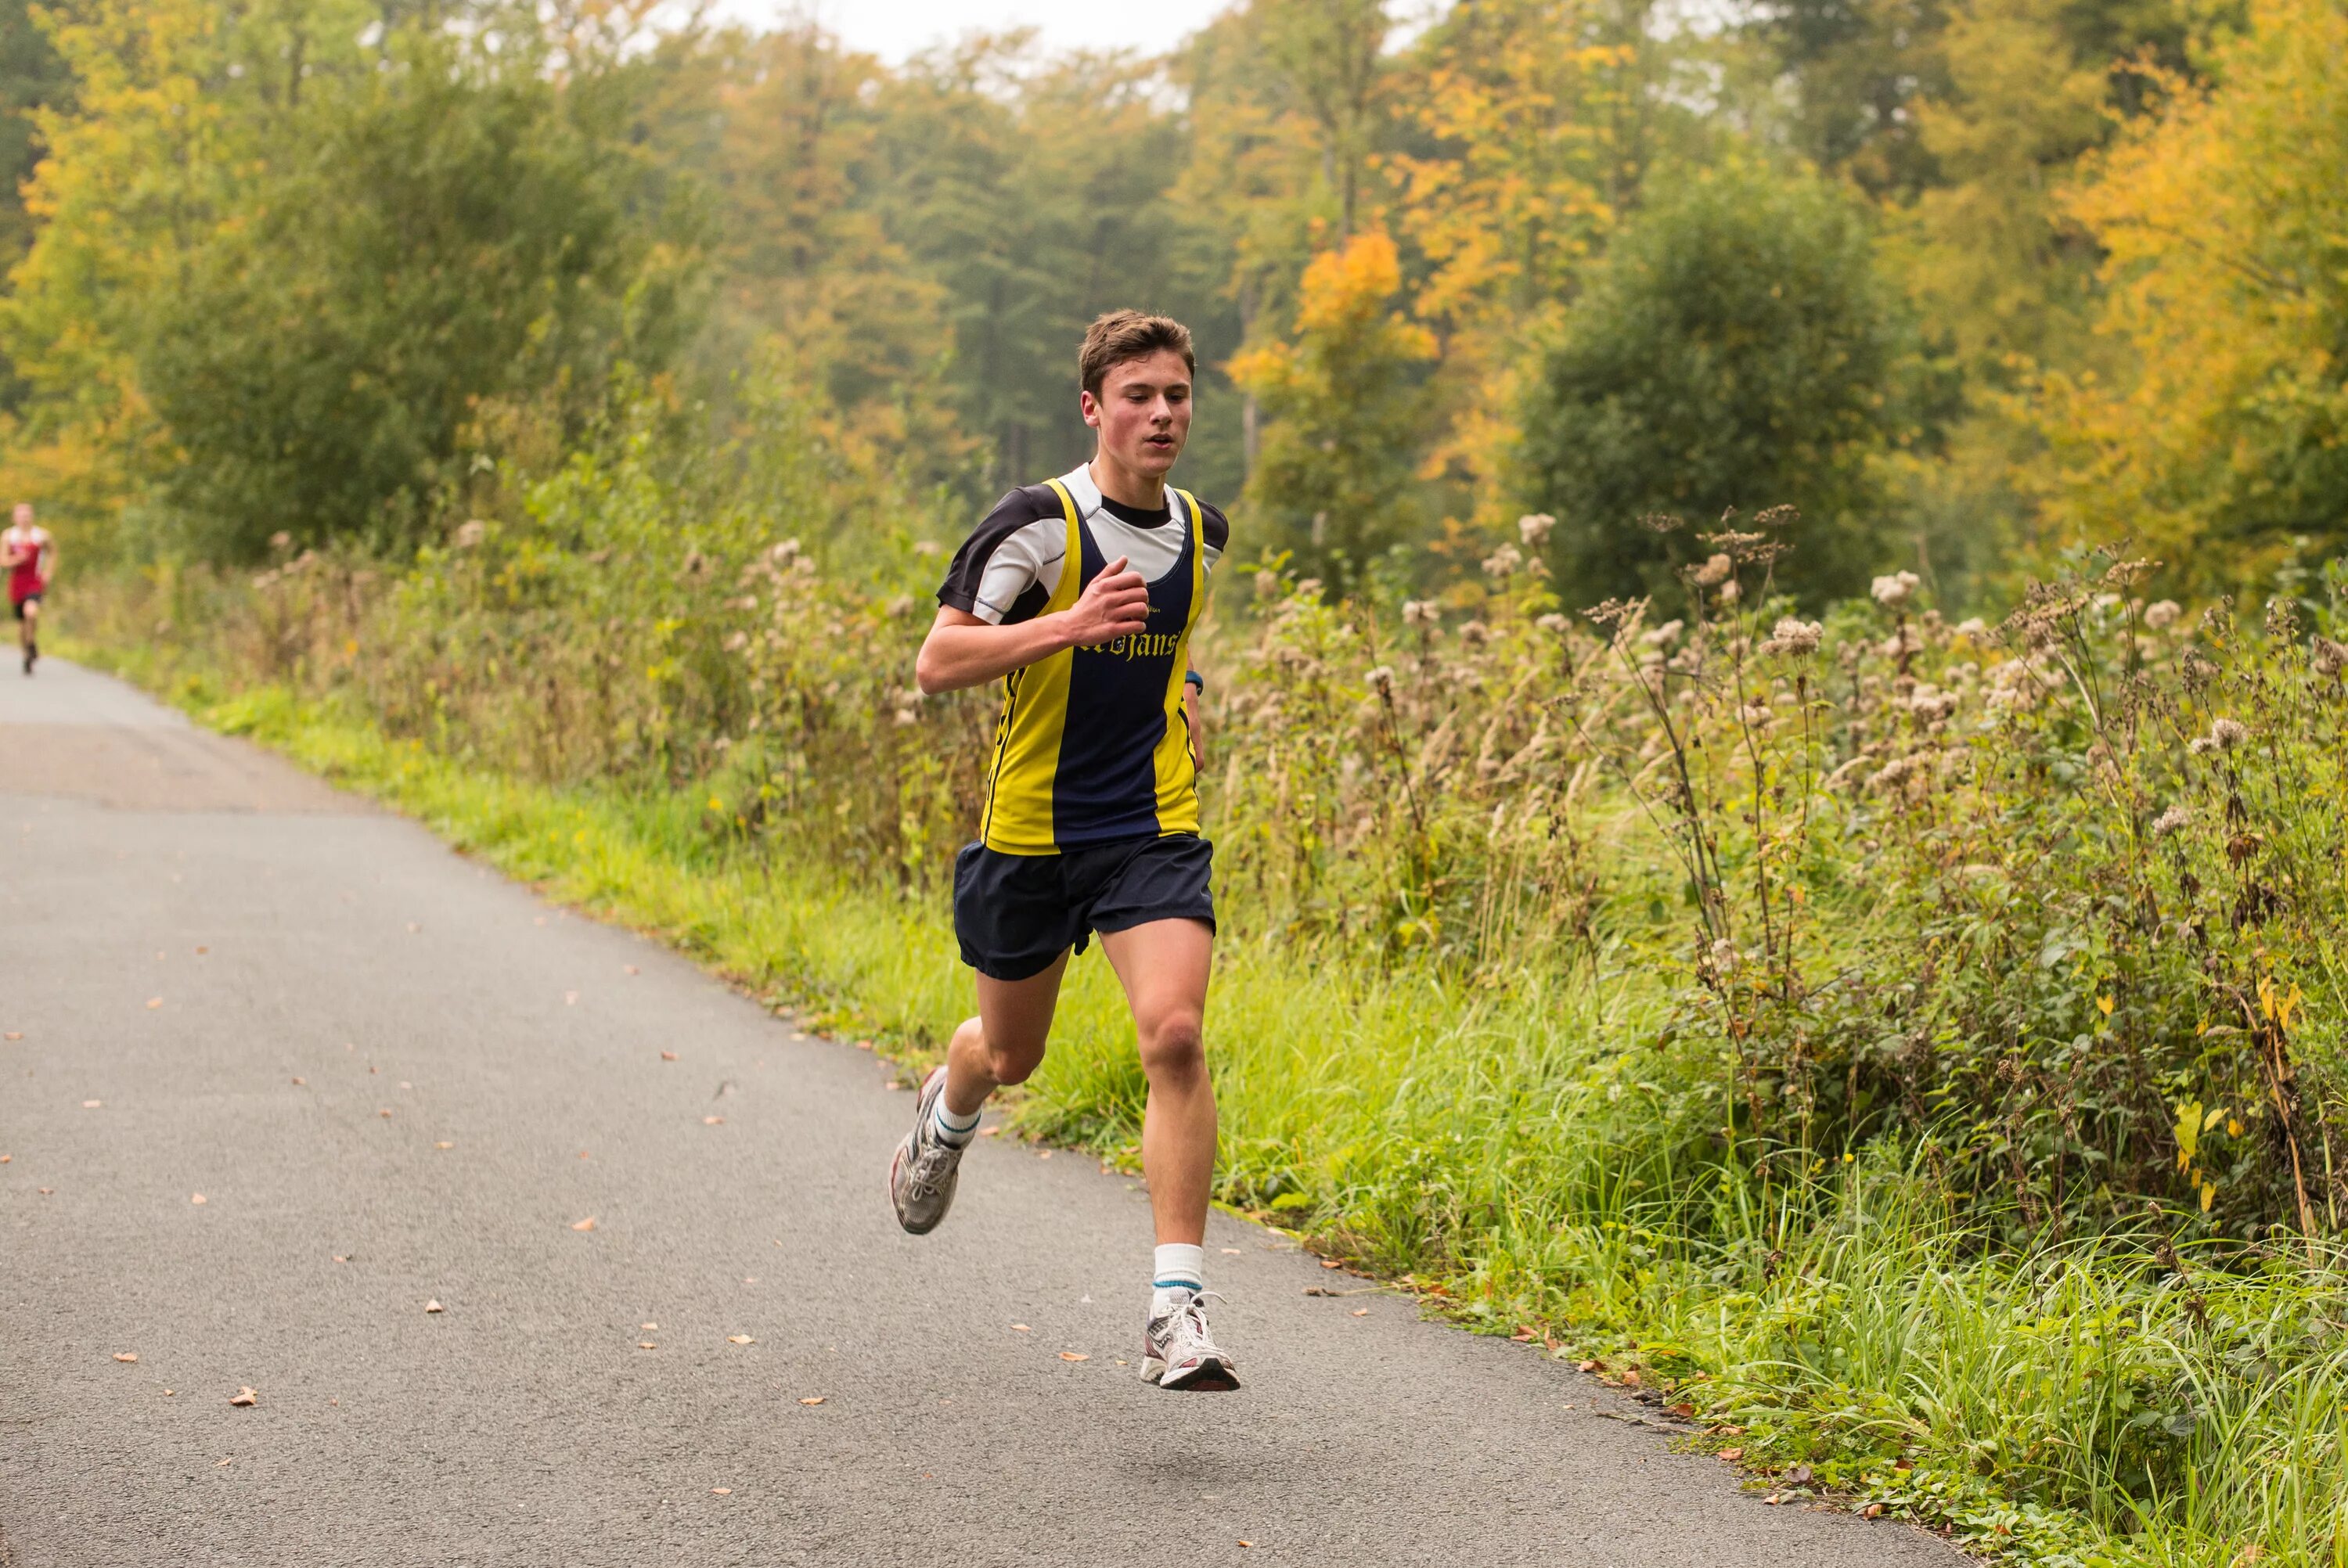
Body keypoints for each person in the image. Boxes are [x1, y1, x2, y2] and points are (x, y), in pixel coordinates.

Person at [892, 310, 1237, 1392]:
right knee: (1011, 1058)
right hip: (1032, 839)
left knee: (1174, 1035)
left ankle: (1175, 1312)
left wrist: (1179, 694)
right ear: (1094, 408)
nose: (1162, 413)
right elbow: (938, 661)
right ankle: (947, 1118)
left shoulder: (1203, 532)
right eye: (1138, 395)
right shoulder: (1035, 525)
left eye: (1176, 394)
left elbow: (1169, 647)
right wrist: (1065, 627)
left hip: (1150, 827)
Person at [2, 502, 54, 676]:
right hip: (17, 581)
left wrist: (48, 572)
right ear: (15, 518)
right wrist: (17, 559)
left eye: (27, 515)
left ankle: (31, 643)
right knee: (22, 623)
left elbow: (53, 552)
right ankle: (26, 654)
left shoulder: (42, 536)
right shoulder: (9, 536)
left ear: (32, 516)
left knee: (31, 612)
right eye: (21, 515)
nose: (24, 518)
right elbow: (3, 561)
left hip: (34, 580)